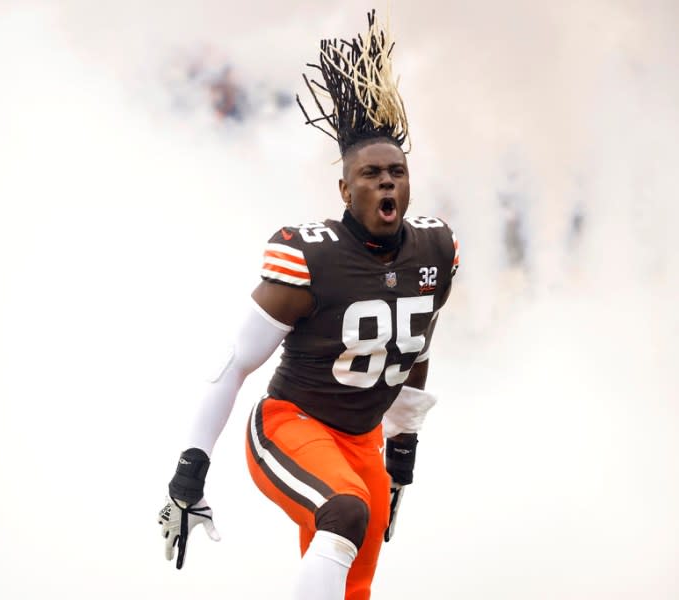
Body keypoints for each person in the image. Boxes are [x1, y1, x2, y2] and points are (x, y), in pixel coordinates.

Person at [158, 11, 459, 600]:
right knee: (345, 514)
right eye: (371, 175)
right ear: (345, 190)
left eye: (397, 172)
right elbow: (235, 365)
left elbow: (415, 345)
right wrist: (190, 468)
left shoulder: (436, 249)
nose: (387, 184)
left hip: (362, 439)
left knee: (354, 584)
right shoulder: (310, 260)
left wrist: (402, 451)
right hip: (289, 426)